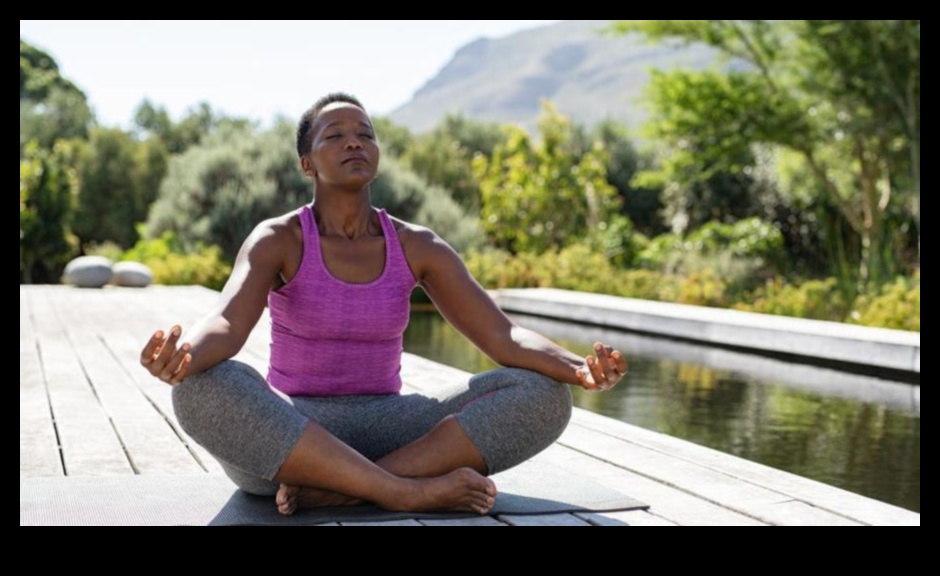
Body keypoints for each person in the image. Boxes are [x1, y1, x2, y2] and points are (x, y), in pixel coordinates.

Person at [139, 92, 628, 516]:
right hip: (291, 440)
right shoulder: (279, 238)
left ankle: (346, 491)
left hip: (394, 431)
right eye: (334, 135)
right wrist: (185, 358)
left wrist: (576, 367)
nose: (354, 141)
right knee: (200, 387)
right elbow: (226, 321)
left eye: (365, 133)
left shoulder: (418, 246)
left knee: (542, 394)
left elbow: (502, 336)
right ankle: (400, 493)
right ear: (307, 163)